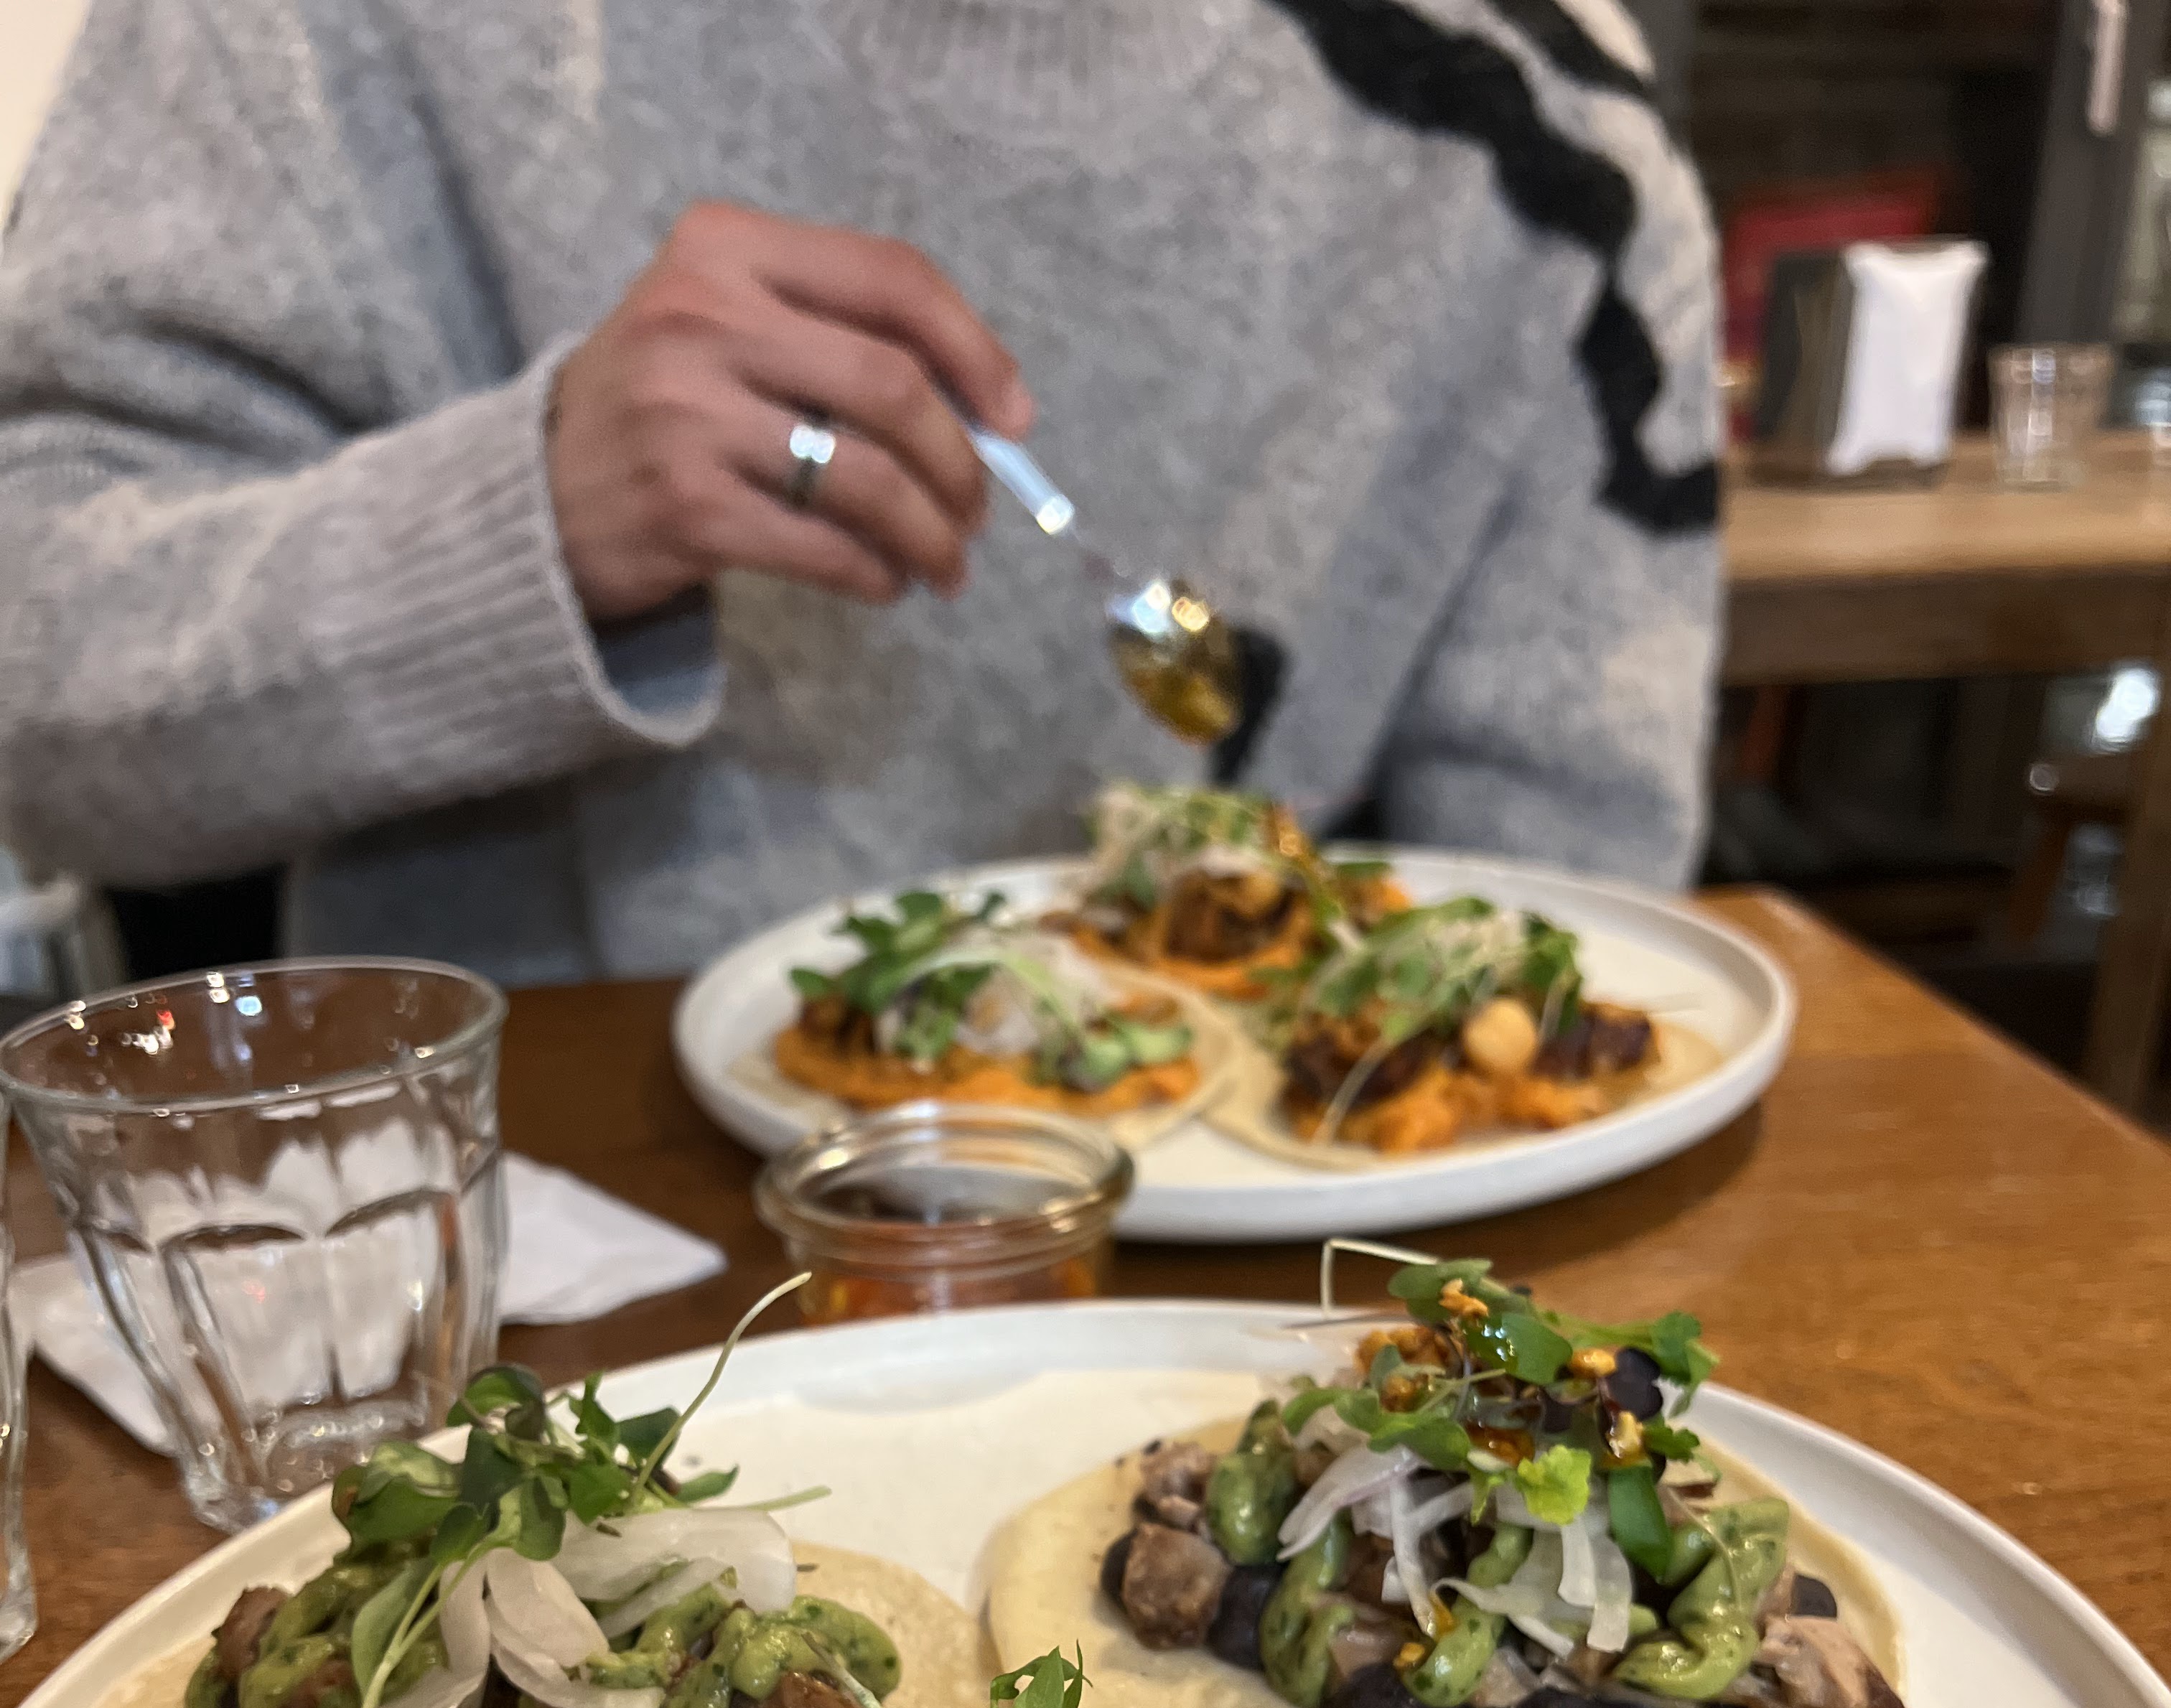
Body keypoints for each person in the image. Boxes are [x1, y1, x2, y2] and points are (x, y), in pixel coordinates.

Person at [0, 0, 1722, 986]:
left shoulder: (1555, 156)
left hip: (1270, 1307)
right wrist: (515, 529)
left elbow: (1570, 936)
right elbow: (38, 696)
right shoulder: (332, 37)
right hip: (522, 1306)